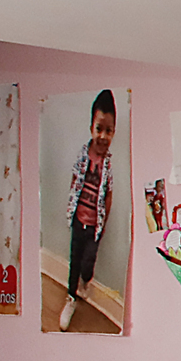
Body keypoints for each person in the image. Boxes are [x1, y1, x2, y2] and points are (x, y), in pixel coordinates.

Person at [61, 90, 115, 330]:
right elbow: (75, 180)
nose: (103, 136)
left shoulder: (109, 164)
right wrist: (72, 208)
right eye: (99, 128)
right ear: (91, 127)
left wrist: (102, 226)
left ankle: (86, 281)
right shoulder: (83, 155)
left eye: (109, 130)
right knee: (74, 260)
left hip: (95, 226)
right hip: (78, 221)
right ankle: (70, 298)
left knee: (88, 262)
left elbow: (109, 195)